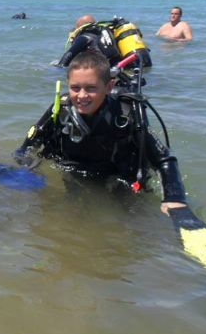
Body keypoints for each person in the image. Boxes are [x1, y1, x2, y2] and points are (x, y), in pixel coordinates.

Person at [15, 51, 187, 215]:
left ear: (109, 86)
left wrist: (175, 199)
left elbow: (165, 159)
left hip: (119, 177)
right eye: (75, 87)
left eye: (91, 88)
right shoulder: (61, 109)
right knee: (71, 217)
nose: (82, 96)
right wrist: (30, 170)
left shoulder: (125, 113)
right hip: (74, 173)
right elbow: (26, 148)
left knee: (131, 220)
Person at [58, 15, 152, 68]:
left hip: (108, 69)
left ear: (79, 28)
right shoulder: (109, 33)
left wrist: (58, 69)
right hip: (128, 66)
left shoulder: (85, 36)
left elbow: (68, 56)